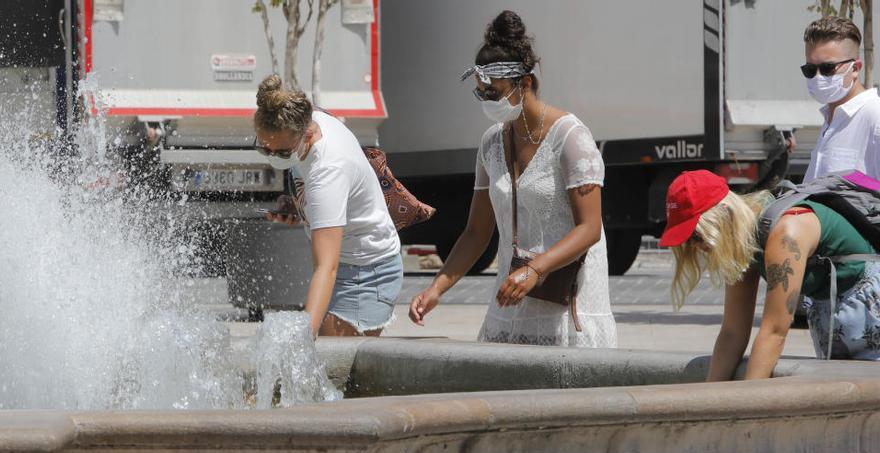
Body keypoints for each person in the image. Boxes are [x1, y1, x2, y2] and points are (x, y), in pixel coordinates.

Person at [408, 10, 617, 347]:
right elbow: (477, 232)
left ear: (526, 83)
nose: (488, 102)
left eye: (494, 93)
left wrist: (536, 269)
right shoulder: (491, 142)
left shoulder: (571, 138)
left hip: (567, 306)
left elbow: (590, 228)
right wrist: (436, 288)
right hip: (511, 301)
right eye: (481, 93)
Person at [660, 170, 879, 381]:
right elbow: (732, 333)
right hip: (837, 322)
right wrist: (709, 401)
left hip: (869, 313)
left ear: (723, 216)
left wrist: (750, 411)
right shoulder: (743, 242)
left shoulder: (787, 232)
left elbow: (774, 332)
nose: (697, 246)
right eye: (688, 240)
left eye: (696, 235)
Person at [253, 75, 402, 337]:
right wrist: (301, 207)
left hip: (364, 273)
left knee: (329, 367)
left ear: (307, 134)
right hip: (348, 263)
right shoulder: (307, 119)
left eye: (281, 153)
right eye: (264, 149)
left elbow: (327, 267)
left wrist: (303, 342)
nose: (272, 157)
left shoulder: (328, 170)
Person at [802, 16, 880, 182]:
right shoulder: (831, 116)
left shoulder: (875, 117)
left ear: (855, 69)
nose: (817, 77)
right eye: (809, 69)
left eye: (827, 68)